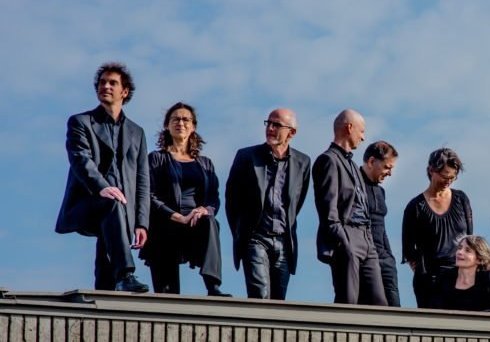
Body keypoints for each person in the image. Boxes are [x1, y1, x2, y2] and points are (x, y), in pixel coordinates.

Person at [56, 62, 149, 292]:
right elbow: (80, 159)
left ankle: (106, 291)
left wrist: (141, 222)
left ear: (124, 91)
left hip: (123, 210)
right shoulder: (80, 122)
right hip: (91, 201)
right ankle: (126, 274)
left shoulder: (137, 132)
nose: (105, 86)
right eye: (102, 82)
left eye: (112, 83)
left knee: (109, 240)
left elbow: (142, 180)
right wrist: (101, 187)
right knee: (112, 203)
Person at [139, 103, 228, 296]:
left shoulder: (205, 163)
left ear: (193, 126)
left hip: (195, 225)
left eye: (186, 119)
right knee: (167, 296)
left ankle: (213, 286)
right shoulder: (156, 159)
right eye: (176, 119)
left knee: (210, 222)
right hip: (165, 225)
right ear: (167, 125)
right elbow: (149, 195)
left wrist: (205, 210)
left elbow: (214, 198)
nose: (181, 123)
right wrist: (178, 217)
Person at [225, 108, 311, 300]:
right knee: (260, 296)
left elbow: (296, 203)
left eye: (276, 125)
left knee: (278, 303)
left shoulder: (303, 162)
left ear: (292, 132)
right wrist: (241, 233)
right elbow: (232, 201)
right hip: (255, 238)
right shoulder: (246, 156)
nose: (270, 128)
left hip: (284, 243)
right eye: (268, 123)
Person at [312, 109, 387, 306]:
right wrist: (342, 240)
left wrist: (368, 238)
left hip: (366, 238)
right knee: (348, 301)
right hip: (346, 236)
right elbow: (327, 208)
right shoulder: (328, 160)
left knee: (379, 304)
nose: (363, 138)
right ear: (349, 127)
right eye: (361, 132)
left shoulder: (353, 165)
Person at [402, 148, 472, 308]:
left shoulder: (461, 199)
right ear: (431, 171)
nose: (449, 181)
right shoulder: (415, 206)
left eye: (453, 177)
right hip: (430, 282)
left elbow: (470, 238)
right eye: (445, 176)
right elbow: (409, 251)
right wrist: (425, 273)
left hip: (461, 277)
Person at [360, 141, 400, 307]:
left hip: (385, 260)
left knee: (395, 310)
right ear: (371, 161)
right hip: (364, 260)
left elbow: (382, 227)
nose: (390, 173)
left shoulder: (380, 191)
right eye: (387, 167)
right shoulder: (353, 185)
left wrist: (390, 257)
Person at [432, 235, 490, 313]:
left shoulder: (487, 277)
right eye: (459, 248)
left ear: (479, 259)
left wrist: (476, 317)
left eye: (467, 250)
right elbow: (434, 310)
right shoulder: (444, 277)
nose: (459, 252)